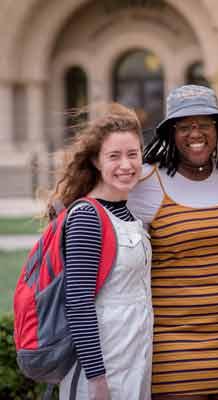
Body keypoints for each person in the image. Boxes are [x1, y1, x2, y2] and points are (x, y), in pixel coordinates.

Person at [127, 85, 218, 400]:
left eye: (204, 124)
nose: (195, 133)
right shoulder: (145, 182)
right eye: (184, 126)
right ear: (171, 134)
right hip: (173, 344)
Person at [46, 103, 153, 400]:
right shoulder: (87, 217)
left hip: (134, 358)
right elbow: (78, 303)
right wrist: (97, 380)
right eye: (114, 156)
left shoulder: (127, 213)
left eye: (133, 154)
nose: (126, 165)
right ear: (96, 161)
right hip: (103, 369)